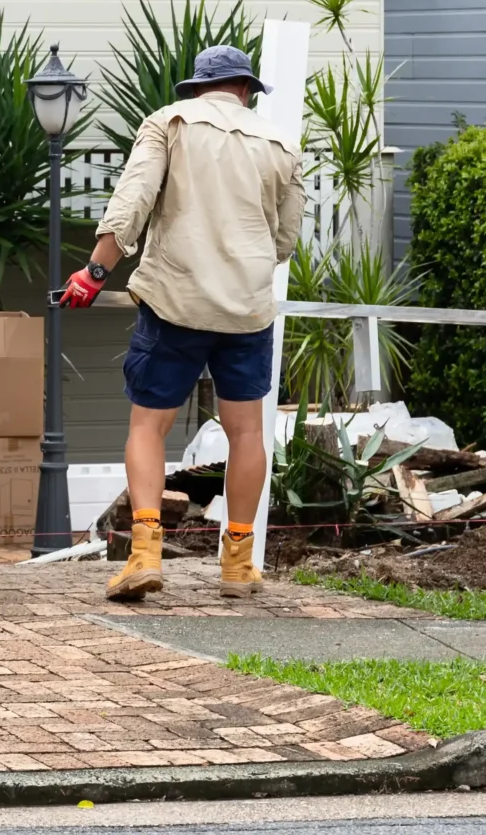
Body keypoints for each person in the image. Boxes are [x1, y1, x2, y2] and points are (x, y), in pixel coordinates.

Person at [58, 44, 302, 601]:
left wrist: (95, 272)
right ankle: (238, 565)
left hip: (176, 304)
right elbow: (284, 241)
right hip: (246, 310)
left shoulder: (169, 122)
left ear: (198, 88)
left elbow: (133, 203)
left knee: (148, 426)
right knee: (246, 434)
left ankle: (145, 554)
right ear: (246, 90)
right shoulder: (283, 145)